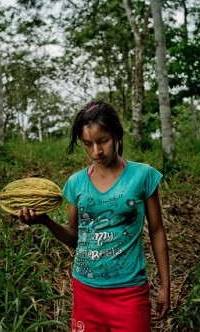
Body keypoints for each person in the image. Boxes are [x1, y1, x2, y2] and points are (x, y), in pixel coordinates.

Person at [17, 100, 170, 331]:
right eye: (87, 144)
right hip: (85, 290)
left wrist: (165, 286)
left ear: (117, 134)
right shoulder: (76, 183)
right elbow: (75, 237)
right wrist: (45, 221)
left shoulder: (143, 175)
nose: (96, 151)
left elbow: (157, 231)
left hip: (129, 292)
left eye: (103, 141)